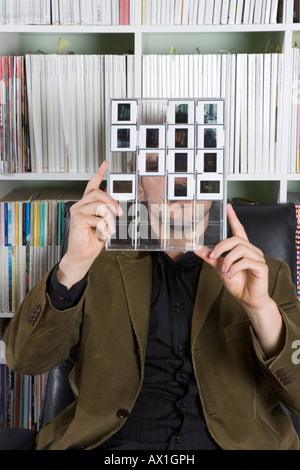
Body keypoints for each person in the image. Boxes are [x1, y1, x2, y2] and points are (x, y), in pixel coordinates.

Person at [4, 161, 300, 450]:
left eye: (195, 164)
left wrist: (261, 308)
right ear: (140, 188)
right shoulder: (92, 265)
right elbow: (24, 360)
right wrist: (72, 266)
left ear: (214, 184)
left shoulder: (264, 274)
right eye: (163, 165)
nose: (180, 181)